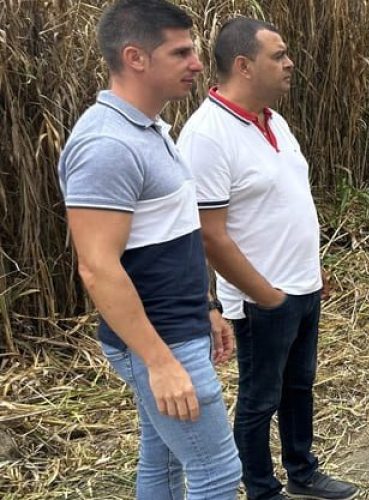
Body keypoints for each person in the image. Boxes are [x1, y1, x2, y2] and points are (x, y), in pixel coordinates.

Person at [56, 1, 240, 498]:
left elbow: (170, 236)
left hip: (178, 327)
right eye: (181, 53)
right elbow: (96, 267)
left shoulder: (149, 130)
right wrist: (160, 362)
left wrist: (206, 305)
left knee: (162, 461)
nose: (198, 65)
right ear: (135, 57)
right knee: (218, 474)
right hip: (160, 341)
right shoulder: (107, 145)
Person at [178, 17, 358, 500]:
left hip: (302, 285)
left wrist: (311, 267)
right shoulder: (208, 136)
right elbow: (210, 237)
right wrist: (267, 296)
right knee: (260, 399)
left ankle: (302, 470)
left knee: (300, 385)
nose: (289, 62)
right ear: (243, 65)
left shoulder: (273, 120)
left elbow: (286, 199)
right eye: (278, 55)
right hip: (263, 298)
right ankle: (261, 488)